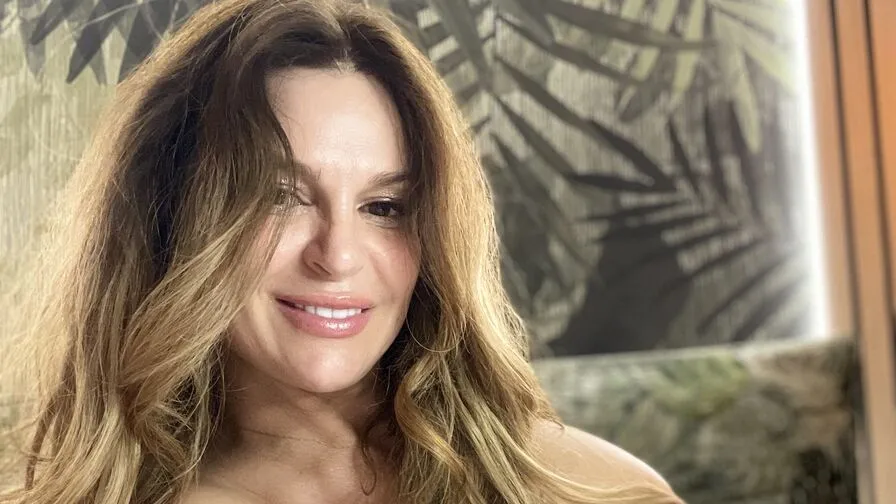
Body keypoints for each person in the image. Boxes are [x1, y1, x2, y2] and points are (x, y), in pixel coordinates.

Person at [0, 0, 683, 502]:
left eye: (384, 207)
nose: (338, 256)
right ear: (170, 216)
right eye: (279, 197)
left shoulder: (590, 490)